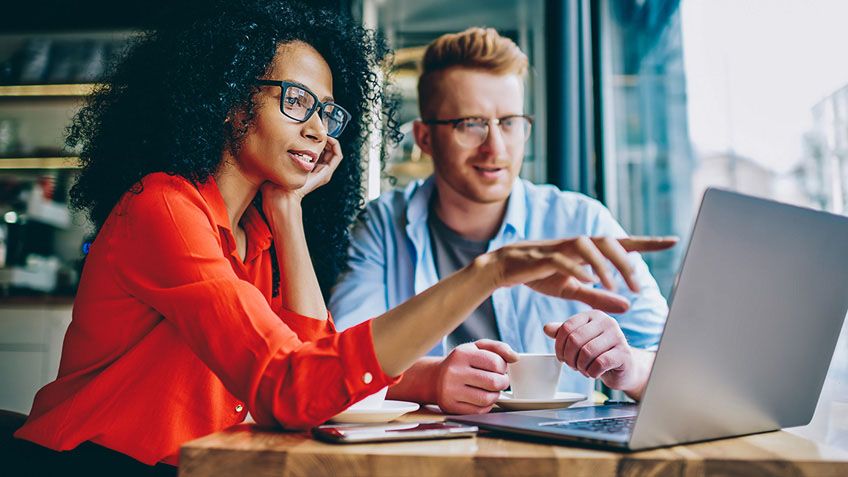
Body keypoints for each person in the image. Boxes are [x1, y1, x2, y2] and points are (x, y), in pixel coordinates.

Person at [9, 4, 674, 474]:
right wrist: (487, 272)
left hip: (204, 466)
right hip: (98, 464)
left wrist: (289, 211)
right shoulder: (164, 209)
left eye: (327, 112)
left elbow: (316, 367)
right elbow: (293, 385)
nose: (320, 131)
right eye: (295, 101)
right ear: (231, 101)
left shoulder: (259, 234)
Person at [329, 27, 673, 415]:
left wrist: (628, 367)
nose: (496, 147)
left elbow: (676, 363)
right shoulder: (382, 225)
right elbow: (338, 363)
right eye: (470, 124)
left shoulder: (581, 220)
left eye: (509, 122)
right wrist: (431, 379)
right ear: (425, 138)